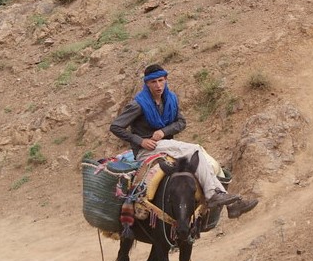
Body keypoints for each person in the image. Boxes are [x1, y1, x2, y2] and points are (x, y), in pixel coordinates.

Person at [110, 64, 259, 219]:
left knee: (200, 159)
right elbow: (116, 126)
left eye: (161, 80)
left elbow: (181, 122)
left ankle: (231, 204)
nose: (158, 85)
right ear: (147, 84)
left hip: (166, 145)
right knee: (195, 149)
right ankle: (214, 196)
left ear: (166, 79)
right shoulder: (138, 104)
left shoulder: (171, 99)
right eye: (153, 82)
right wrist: (140, 141)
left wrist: (164, 131)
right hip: (147, 150)